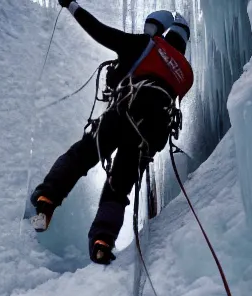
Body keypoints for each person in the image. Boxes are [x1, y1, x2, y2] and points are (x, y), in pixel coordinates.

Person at [31, 1, 194, 264]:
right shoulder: (187, 73)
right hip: (151, 134)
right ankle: (102, 242)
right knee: (118, 188)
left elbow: (100, 32)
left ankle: (47, 200)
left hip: (127, 109)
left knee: (82, 156)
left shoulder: (148, 45)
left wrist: (71, 5)